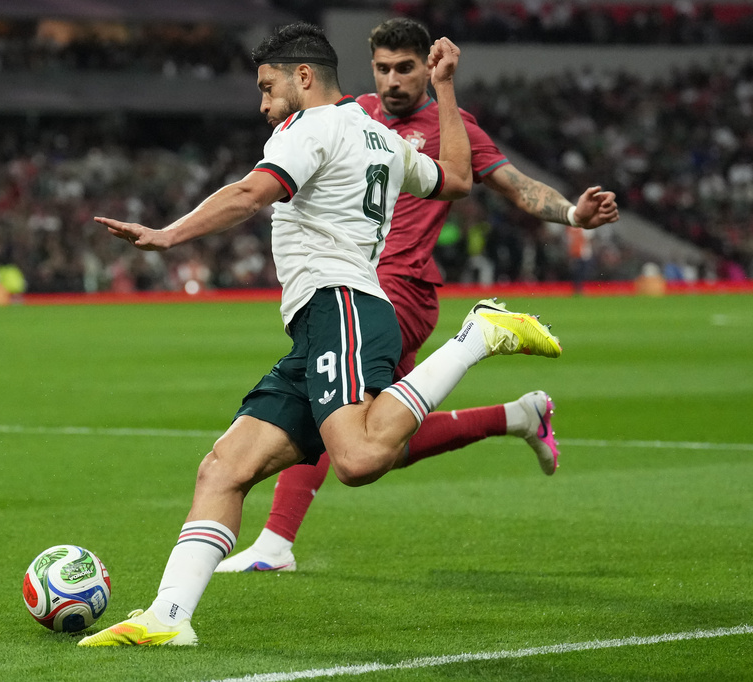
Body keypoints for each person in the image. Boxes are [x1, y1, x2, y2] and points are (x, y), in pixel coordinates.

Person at [78, 22, 561, 647]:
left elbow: (253, 193)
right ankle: (168, 618)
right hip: (320, 324)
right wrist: (444, 91)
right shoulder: (380, 139)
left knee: (358, 460)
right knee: (223, 468)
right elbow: (458, 181)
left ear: (303, 77)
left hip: (346, 308)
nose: (262, 103)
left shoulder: (313, 126)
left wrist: (168, 235)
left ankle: (478, 334)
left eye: (267, 86)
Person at [216, 17, 619, 574]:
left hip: (399, 288)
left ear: (427, 71)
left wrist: (574, 214)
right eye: (382, 68)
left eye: (405, 69)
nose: (391, 81)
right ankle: (519, 416)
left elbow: (517, 186)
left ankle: (275, 542)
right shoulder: (350, 115)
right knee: (383, 442)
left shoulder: (451, 126)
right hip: (361, 284)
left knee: (326, 395)